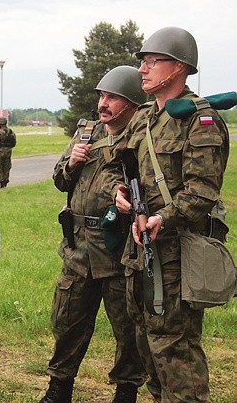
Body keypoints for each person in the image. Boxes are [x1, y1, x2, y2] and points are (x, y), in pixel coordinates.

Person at [111, 27, 230, 402]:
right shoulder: (145, 117)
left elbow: (202, 191)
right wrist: (120, 195)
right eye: (142, 62)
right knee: (145, 339)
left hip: (178, 251)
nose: (142, 70)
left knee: (175, 346)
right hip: (140, 248)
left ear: (177, 67)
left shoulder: (200, 120)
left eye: (151, 62)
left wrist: (164, 217)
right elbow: (123, 165)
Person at [40, 66, 148, 403]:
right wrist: (70, 164)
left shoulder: (143, 138)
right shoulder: (86, 132)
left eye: (112, 97)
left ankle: (126, 392)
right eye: (102, 96)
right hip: (79, 248)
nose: (104, 103)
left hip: (119, 248)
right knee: (67, 321)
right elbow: (60, 180)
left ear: (131, 102)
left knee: (128, 327)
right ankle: (59, 389)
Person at [0, 116, 16, 187]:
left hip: (0, 151)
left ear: (0, 124)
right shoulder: (11, 132)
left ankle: (2, 182)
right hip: (8, 151)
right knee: (6, 166)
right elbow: (14, 143)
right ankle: (5, 181)